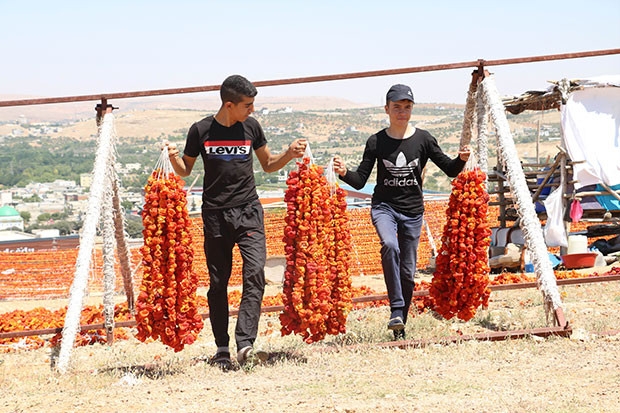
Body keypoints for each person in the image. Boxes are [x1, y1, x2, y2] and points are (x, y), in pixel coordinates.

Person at [165, 74, 307, 369]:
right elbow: (185, 171)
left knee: (254, 273)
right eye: (247, 105)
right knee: (218, 284)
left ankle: (245, 344)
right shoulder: (201, 130)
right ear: (229, 105)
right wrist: (174, 158)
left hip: (249, 212)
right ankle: (221, 348)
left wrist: (289, 155)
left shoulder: (251, 127)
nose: (252, 110)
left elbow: (268, 165)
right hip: (215, 215)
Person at [332, 84, 470, 340]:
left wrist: (462, 158)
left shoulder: (424, 139)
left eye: (407, 107)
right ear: (387, 109)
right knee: (389, 245)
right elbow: (361, 180)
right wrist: (343, 173)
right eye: (397, 107)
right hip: (384, 207)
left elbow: (450, 169)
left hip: (413, 213)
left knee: (407, 272)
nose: (402, 112)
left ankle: (400, 323)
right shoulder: (376, 141)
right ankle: (396, 308)